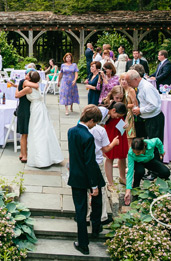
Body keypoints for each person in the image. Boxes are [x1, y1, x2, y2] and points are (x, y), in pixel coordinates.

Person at [67, 105, 106, 255]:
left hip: (76, 175)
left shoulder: (71, 131)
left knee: (80, 209)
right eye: (94, 123)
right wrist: (94, 185)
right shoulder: (88, 137)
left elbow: (73, 154)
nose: (94, 126)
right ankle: (94, 231)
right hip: (89, 175)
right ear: (90, 120)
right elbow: (89, 162)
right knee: (97, 201)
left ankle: (83, 243)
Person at [83, 105, 119, 223]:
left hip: (83, 162)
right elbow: (106, 149)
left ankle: (86, 215)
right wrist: (114, 143)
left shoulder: (80, 129)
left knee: (86, 189)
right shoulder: (100, 130)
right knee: (100, 189)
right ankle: (102, 216)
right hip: (96, 162)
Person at [25, 71, 64, 168]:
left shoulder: (28, 86)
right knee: (44, 130)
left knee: (37, 131)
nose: (26, 76)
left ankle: (40, 159)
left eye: (27, 75)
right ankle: (48, 156)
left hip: (36, 109)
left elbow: (23, 86)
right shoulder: (35, 85)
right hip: (40, 108)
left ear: (30, 78)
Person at [124, 137, 170, 205]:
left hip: (150, 160)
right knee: (140, 172)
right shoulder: (131, 153)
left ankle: (158, 184)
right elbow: (130, 172)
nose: (136, 154)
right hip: (138, 162)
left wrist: (161, 151)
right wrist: (128, 190)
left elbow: (158, 141)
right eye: (134, 152)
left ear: (143, 148)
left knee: (166, 172)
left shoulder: (150, 143)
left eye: (138, 152)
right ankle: (135, 191)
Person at [126, 69, 165, 141]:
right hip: (148, 118)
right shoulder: (140, 86)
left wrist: (140, 110)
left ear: (135, 79)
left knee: (154, 145)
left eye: (129, 82)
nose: (128, 84)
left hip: (154, 119)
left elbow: (153, 105)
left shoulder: (146, 87)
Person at [101, 96, 129, 188]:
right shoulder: (106, 114)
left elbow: (126, 117)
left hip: (120, 133)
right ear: (113, 110)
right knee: (110, 157)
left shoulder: (121, 113)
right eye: (117, 116)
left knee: (122, 156)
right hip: (110, 133)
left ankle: (122, 177)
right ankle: (110, 182)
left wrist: (126, 123)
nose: (117, 117)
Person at [15, 71, 37, 163]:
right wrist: (16, 86)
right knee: (24, 133)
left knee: (25, 133)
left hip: (27, 110)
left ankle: (22, 153)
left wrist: (15, 86)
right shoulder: (24, 82)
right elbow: (17, 95)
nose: (26, 76)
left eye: (28, 75)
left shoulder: (29, 84)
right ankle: (24, 155)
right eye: (26, 74)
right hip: (24, 110)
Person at [119, 73, 138, 141]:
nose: (124, 81)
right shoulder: (120, 89)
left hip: (129, 114)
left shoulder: (131, 90)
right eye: (122, 79)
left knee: (128, 136)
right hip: (121, 114)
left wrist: (124, 106)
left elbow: (135, 104)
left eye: (126, 80)